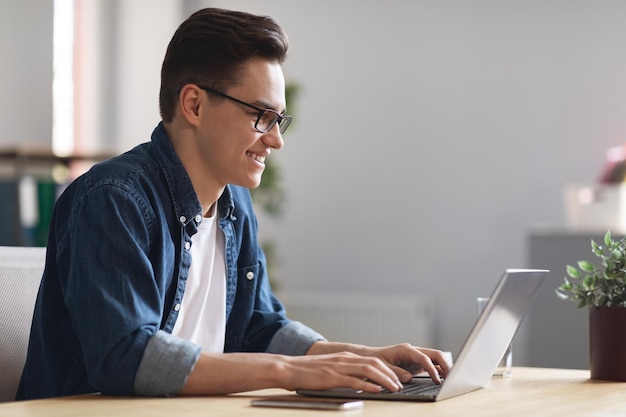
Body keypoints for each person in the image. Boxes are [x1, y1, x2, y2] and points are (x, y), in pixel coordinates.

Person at [16, 8, 449, 400]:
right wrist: (293, 371)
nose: (276, 139)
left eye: (278, 119)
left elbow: (260, 327)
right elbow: (125, 358)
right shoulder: (112, 200)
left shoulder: (233, 204)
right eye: (260, 116)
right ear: (194, 105)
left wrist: (364, 358)